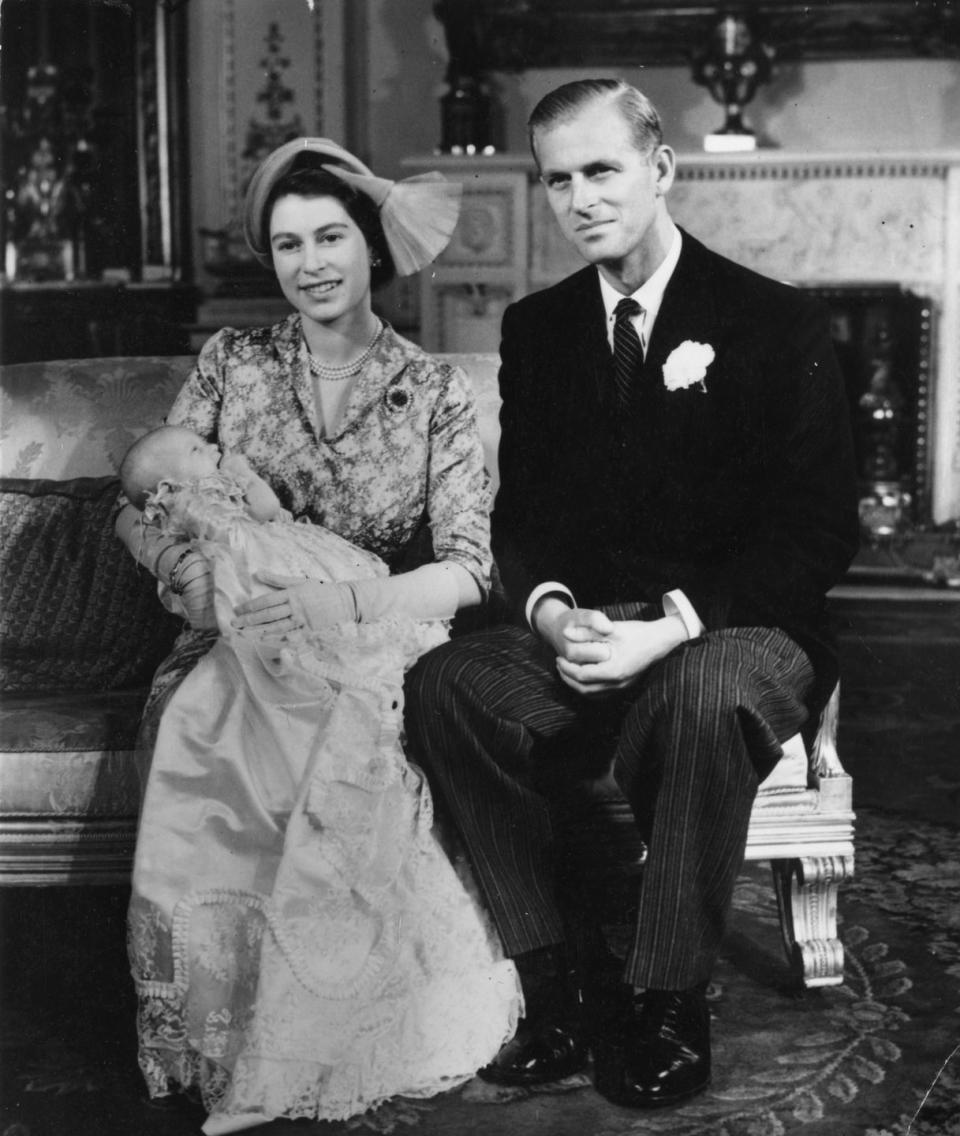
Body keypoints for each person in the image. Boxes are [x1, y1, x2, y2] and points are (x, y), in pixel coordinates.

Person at [404, 78, 860, 1110]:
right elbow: (528, 519)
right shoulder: (540, 326)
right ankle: (554, 979)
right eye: (557, 179)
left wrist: (674, 626)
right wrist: (557, 611)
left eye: (602, 169)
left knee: (698, 692)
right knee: (444, 684)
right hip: (599, 625)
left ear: (660, 168)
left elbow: (822, 530)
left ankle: (665, 996)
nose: (581, 199)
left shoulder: (775, 321)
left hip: (745, 624)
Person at [115, 138, 521, 1132]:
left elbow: (470, 566)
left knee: (341, 743)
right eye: (288, 243)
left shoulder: (433, 392)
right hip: (235, 634)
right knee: (208, 724)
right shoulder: (232, 365)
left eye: (330, 235)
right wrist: (197, 578)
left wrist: (339, 607)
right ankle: (233, 1026)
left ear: (370, 245)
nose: (311, 263)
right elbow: (145, 505)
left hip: (366, 631)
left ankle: (329, 1024)